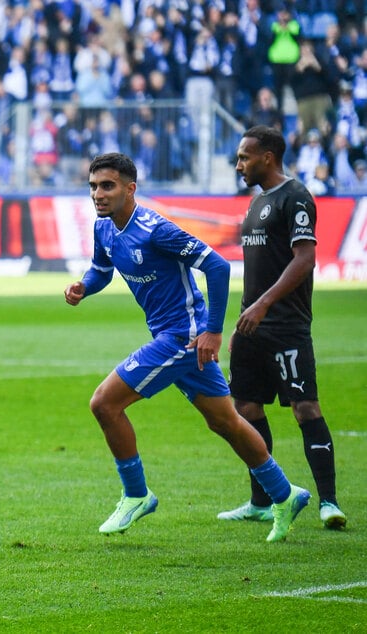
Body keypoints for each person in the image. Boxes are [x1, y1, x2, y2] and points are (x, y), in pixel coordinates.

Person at [64, 152, 309, 543]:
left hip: (182, 336)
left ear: (131, 188)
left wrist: (212, 331)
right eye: (93, 186)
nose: (98, 194)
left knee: (104, 404)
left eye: (107, 186)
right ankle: (285, 493)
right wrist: (83, 287)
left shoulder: (155, 229)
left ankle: (136, 494)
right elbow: (101, 270)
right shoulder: (104, 228)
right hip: (174, 336)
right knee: (224, 421)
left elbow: (217, 266)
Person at [218, 125, 347, 529]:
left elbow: (305, 259)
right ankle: (262, 500)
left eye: (244, 157)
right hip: (251, 325)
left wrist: (263, 304)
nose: (239, 164)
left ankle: (329, 502)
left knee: (305, 406)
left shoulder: (296, 197)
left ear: (267, 157)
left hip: (286, 325)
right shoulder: (256, 203)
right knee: (246, 407)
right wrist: (244, 319)